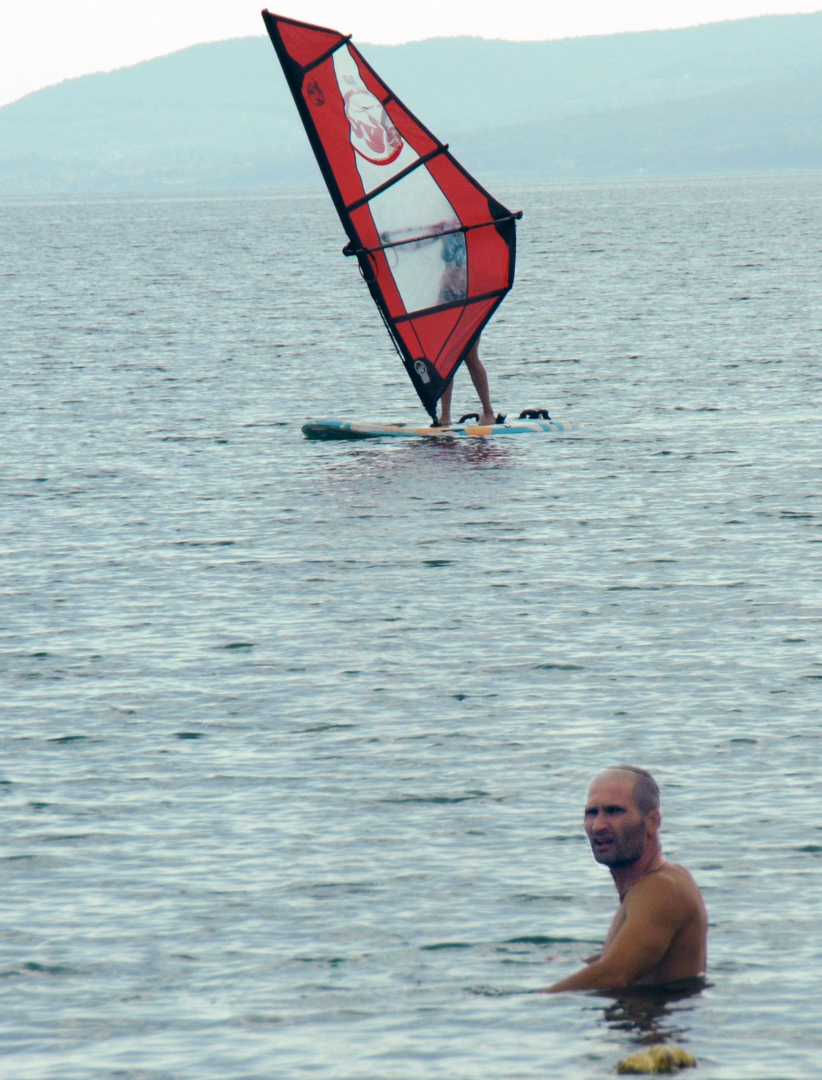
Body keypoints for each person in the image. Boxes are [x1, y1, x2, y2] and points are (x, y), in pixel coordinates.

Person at [541, 765, 707, 993]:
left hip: (652, 1023)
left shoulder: (661, 889)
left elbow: (614, 975)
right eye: (592, 813)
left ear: (652, 822)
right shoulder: (660, 882)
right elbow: (637, 953)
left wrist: (526, 1003)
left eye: (614, 811)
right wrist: (578, 965)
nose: (598, 826)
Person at [438, 338, 496, 427]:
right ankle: (445, 415)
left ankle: (488, 412)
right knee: (445, 360)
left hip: (465, 324)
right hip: (443, 325)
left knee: (471, 356)